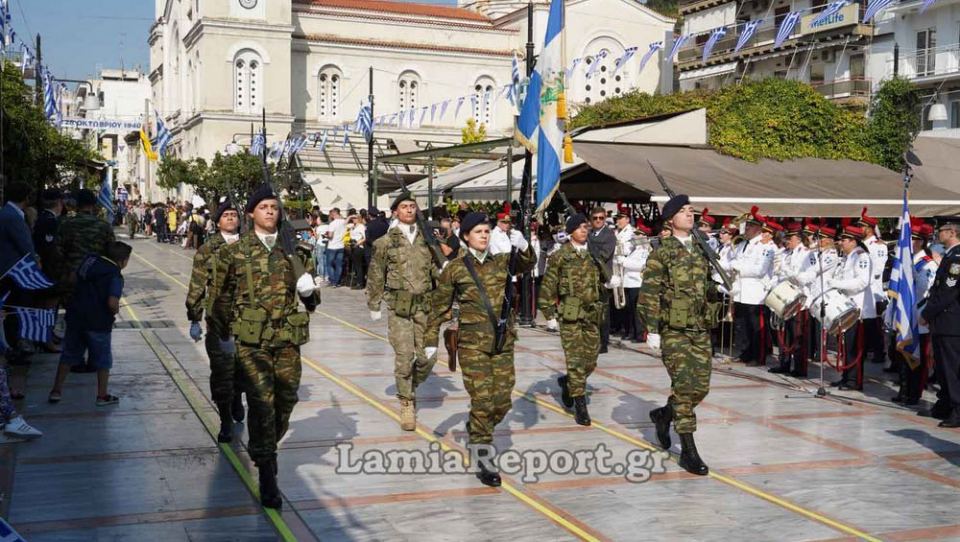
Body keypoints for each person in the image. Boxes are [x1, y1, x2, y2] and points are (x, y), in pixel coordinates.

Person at [211, 184, 318, 509]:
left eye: (274, 207)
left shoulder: (295, 251)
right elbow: (220, 300)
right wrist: (224, 336)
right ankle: (267, 470)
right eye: (264, 207)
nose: (270, 211)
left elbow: (312, 302)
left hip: (287, 339)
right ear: (251, 214)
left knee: (286, 401)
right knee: (261, 402)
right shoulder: (234, 253)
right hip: (252, 342)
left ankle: (264, 445)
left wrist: (308, 290)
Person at [427, 212, 534, 486]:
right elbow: (438, 306)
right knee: (483, 401)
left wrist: (523, 245)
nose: (484, 235)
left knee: (502, 400)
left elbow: (527, 263)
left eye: (487, 231)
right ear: (465, 237)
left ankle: (476, 427)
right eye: (478, 232)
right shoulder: (455, 268)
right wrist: (429, 342)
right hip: (472, 344)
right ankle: (484, 454)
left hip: (502, 342)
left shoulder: (501, 262)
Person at [638, 195, 719, 476]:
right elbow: (649, 293)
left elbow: (707, 285)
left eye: (691, 210)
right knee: (685, 388)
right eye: (683, 211)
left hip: (699, 327)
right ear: (670, 220)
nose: (690, 214)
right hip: (674, 328)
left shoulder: (701, 249)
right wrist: (652, 329)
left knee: (701, 387)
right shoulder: (662, 252)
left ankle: (664, 415)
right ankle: (688, 450)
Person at [366, 193, 441, 431]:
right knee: (404, 358)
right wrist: (374, 303)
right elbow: (376, 273)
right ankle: (407, 401)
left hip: (424, 307)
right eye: (404, 207)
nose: (409, 210)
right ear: (395, 212)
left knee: (428, 357)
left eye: (412, 206)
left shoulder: (428, 240)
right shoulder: (385, 242)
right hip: (399, 308)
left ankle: (409, 385)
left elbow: (436, 271)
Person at [538, 213, 606, 426]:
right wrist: (549, 315)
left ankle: (568, 382)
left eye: (586, 227)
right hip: (571, 315)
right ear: (570, 232)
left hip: (592, 314)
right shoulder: (561, 256)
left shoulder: (592, 254)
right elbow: (548, 286)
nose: (584, 230)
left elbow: (603, 277)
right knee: (576, 360)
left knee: (591, 359)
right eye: (579, 228)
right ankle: (580, 404)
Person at [186, 200, 246, 442]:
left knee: (243, 369)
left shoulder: (252, 246)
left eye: (234, 215)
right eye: (226, 215)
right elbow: (198, 284)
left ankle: (236, 397)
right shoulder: (208, 249)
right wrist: (194, 318)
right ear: (218, 221)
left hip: (248, 320)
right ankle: (225, 421)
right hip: (220, 321)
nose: (231, 218)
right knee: (221, 371)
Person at [49, 241, 132, 406]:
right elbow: (112, 302)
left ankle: (56, 391)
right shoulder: (115, 275)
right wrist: (114, 311)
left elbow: (72, 278)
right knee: (103, 360)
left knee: (69, 355)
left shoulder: (90, 260)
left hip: (76, 317)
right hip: (98, 322)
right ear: (123, 260)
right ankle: (102, 396)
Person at [920, 215, 960, 427]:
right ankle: (945, 403)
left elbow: (948, 292)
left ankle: (957, 409)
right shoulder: (949, 254)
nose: (938, 233)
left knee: (952, 367)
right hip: (943, 319)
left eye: (942, 230)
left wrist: (927, 313)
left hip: (951, 320)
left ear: (952, 232)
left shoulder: (957, 257)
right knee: (943, 367)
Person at [894, 220, 937, 405]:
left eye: (912, 240)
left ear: (920, 242)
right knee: (903, 355)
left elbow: (925, 290)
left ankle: (914, 393)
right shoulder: (908, 260)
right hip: (906, 314)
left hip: (918, 314)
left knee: (917, 358)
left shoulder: (928, 264)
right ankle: (903, 390)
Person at [828, 225, 874, 391]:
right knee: (845, 346)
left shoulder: (861, 257)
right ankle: (846, 376)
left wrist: (836, 284)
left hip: (858, 308)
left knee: (854, 346)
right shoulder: (847, 257)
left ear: (853, 241)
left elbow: (861, 282)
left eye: (844, 240)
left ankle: (854, 381)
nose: (840, 243)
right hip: (846, 307)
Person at [730, 207, 775, 366]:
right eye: (746, 225)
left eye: (749, 226)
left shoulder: (766, 247)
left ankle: (758, 356)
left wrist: (737, 267)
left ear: (758, 228)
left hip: (756, 293)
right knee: (742, 325)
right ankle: (745, 353)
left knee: (756, 327)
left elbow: (759, 270)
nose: (746, 228)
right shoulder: (743, 244)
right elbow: (736, 261)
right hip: (742, 291)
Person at [771, 222, 810, 375]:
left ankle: (800, 367)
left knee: (797, 334)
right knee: (785, 332)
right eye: (786, 238)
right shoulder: (786, 253)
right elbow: (779, 274)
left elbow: (803, 277)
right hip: (786, 297)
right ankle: (784, 363)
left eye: (790, 238)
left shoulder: (806, 254)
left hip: (799, 298)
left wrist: (785, 270)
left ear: (798, 238)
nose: (787, 241)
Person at [859, 207, 889, 366]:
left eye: (862, 226)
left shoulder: (878, 245)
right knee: (863, 324)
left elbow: (878, 269)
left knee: (874, 325)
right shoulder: (860, 244)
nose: (860, 229)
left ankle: (879, 352)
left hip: (873, 290)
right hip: (861, 291)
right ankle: (864, 350)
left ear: (869, 229)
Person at [587, 207, 616, 354]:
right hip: (589, 277)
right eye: (595, 218)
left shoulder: (609, 235)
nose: (598, 220)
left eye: (601, 218)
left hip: (602, 276)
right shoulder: (589, 234)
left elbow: (604, 255)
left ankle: (603, 343)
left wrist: (590, 254)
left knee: (603, 311)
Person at [621, 222, 651, 342]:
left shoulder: (645, 250)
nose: (635, 237)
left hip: (637, 283)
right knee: (630, 310)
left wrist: (624, 262)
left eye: (638, 235)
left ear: (644, 236)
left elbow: (641, 265)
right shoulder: (634, 249)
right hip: (628, 282)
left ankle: (639, 334)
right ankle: (632, 332)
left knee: (637, 311)